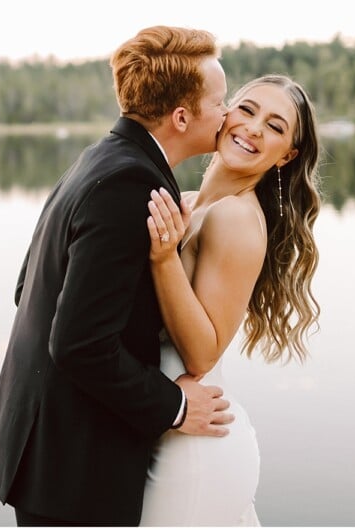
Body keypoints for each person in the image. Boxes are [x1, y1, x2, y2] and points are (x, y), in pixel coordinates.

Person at [0, 26, 236, 526]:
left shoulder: (101, 158)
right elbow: (79, 344)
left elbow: (26, 287)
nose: (226, 114)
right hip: (74, 467)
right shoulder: (130, 184)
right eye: (219, 102)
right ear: (182, 117)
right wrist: (177, 407)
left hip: (43, 450)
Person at [138, 74, 322, 526]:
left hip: (193, 450)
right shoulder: (192, 203)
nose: (254, 128)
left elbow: (202, 355)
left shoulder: (236, 218)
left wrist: (163, 259)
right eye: (247, 109)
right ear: (225, 112)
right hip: (171, 427)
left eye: (275, 127)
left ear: (287, 155)